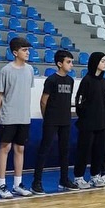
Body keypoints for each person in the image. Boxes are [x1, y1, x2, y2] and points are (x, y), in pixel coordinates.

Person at [0, 37, 35, 199]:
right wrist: (1, 116)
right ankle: (1, 185)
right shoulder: (6, 70)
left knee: (20, 149)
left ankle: (18, 184)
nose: (27, 53)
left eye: (28, 50)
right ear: (15, 52)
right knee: (5, 148)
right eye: (24, 50)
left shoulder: (30, 69)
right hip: (8, 116)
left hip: (24, 117)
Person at [32, 49, 76, 195]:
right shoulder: (51, 80)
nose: (71, 65)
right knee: (44, 150)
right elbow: (43, 101)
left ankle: (64, 179)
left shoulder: (70, 80)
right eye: (68, 62)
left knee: (65, 150)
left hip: (65, 120)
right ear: (59, 63)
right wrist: (47, 118)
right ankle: (36, 182)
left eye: (72, 62)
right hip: (52, 120)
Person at [73, 52, 105, 188]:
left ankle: (95, 175)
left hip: (101, 124)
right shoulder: (87, 80)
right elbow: (79, 102)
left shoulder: (103, 81)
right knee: (83, 151)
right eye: (102, 61)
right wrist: (85, 117)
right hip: (87, 124)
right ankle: (78, 177)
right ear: (95, 62)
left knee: (99, 151)